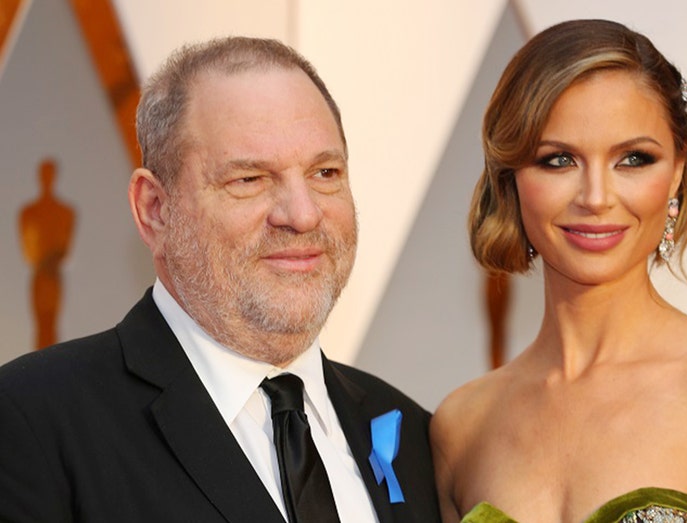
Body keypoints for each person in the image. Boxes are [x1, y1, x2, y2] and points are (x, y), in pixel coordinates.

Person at [0, 37, 439, 522]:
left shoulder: (410, 434)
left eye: (325, 172)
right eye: (249, 179)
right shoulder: (32, 421)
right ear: (155, 210)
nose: (302, 214)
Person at [431, 20, 687, 523]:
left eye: (634, 159)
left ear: (678, 172)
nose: (596, 198)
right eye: (558, 160)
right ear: (510, 178)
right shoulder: (462, 427)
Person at [18, 158, 76, 350]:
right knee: (42, 325)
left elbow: (64, 249)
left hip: (52, 276)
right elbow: (29, 252)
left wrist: (51, 261)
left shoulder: (65, 213)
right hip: (41, 276)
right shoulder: (28, 213)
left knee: (50, 324)